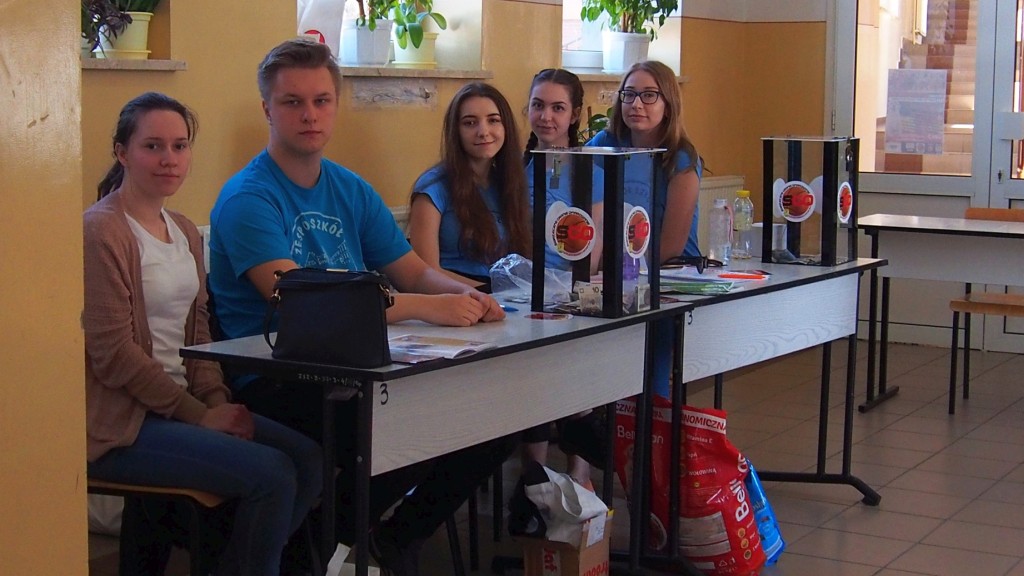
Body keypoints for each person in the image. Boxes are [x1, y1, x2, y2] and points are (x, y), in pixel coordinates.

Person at [207, 38, 516, 575]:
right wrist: (426, 308)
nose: (310, 115)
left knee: (491, 417)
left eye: (321, 101)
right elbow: (303, 302)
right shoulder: (247, 198)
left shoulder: (349, 188)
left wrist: (465, 294)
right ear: (267, 109)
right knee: (408, 423)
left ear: (336, 106)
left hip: (358, 363)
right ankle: (321, 543)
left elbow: (412, 269)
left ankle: (383, 538)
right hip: (277, 375)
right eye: (292, 102)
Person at [83, 92, 323, 576]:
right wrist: (199, 416)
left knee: (308, 459)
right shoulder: (101, 231)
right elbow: (113, 353)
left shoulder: (184, 230)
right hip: (122, 424)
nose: (169, 159)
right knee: (273, 474)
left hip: (179, 405)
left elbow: (198, 332)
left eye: (180, 146)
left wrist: (215, 401)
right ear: (122, 152)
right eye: (153, 146)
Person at [587, 60, 705, 399]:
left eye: (649, 95)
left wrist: (622, 273)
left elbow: (671, 245)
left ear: (668, 103)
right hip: (613, 274)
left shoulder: (681, 158)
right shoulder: (604, 142)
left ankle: (650, 421)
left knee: (649, 369)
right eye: (629, 94)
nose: (636, 104)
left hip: (669, 276)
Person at [519, 68, 607, 488]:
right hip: (523, 291)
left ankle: (579, 471)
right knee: (533, 362)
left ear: (574, 115)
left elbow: (595, 243)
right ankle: (533, 475)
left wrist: (571, 293)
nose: (546, 117)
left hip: (571, 291)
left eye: (557, 108)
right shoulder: (514, 168)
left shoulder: (590, 171)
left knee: (571, 357)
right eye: (538, 105)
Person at [406, 81, 531, 291]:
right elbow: (425, 271)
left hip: (506, 295)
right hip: (455, 296)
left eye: (493, 120)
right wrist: (488, 291)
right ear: (455, 131)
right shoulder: (432, 189)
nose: (483, 131)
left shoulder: (509, 182)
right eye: (470, 123)